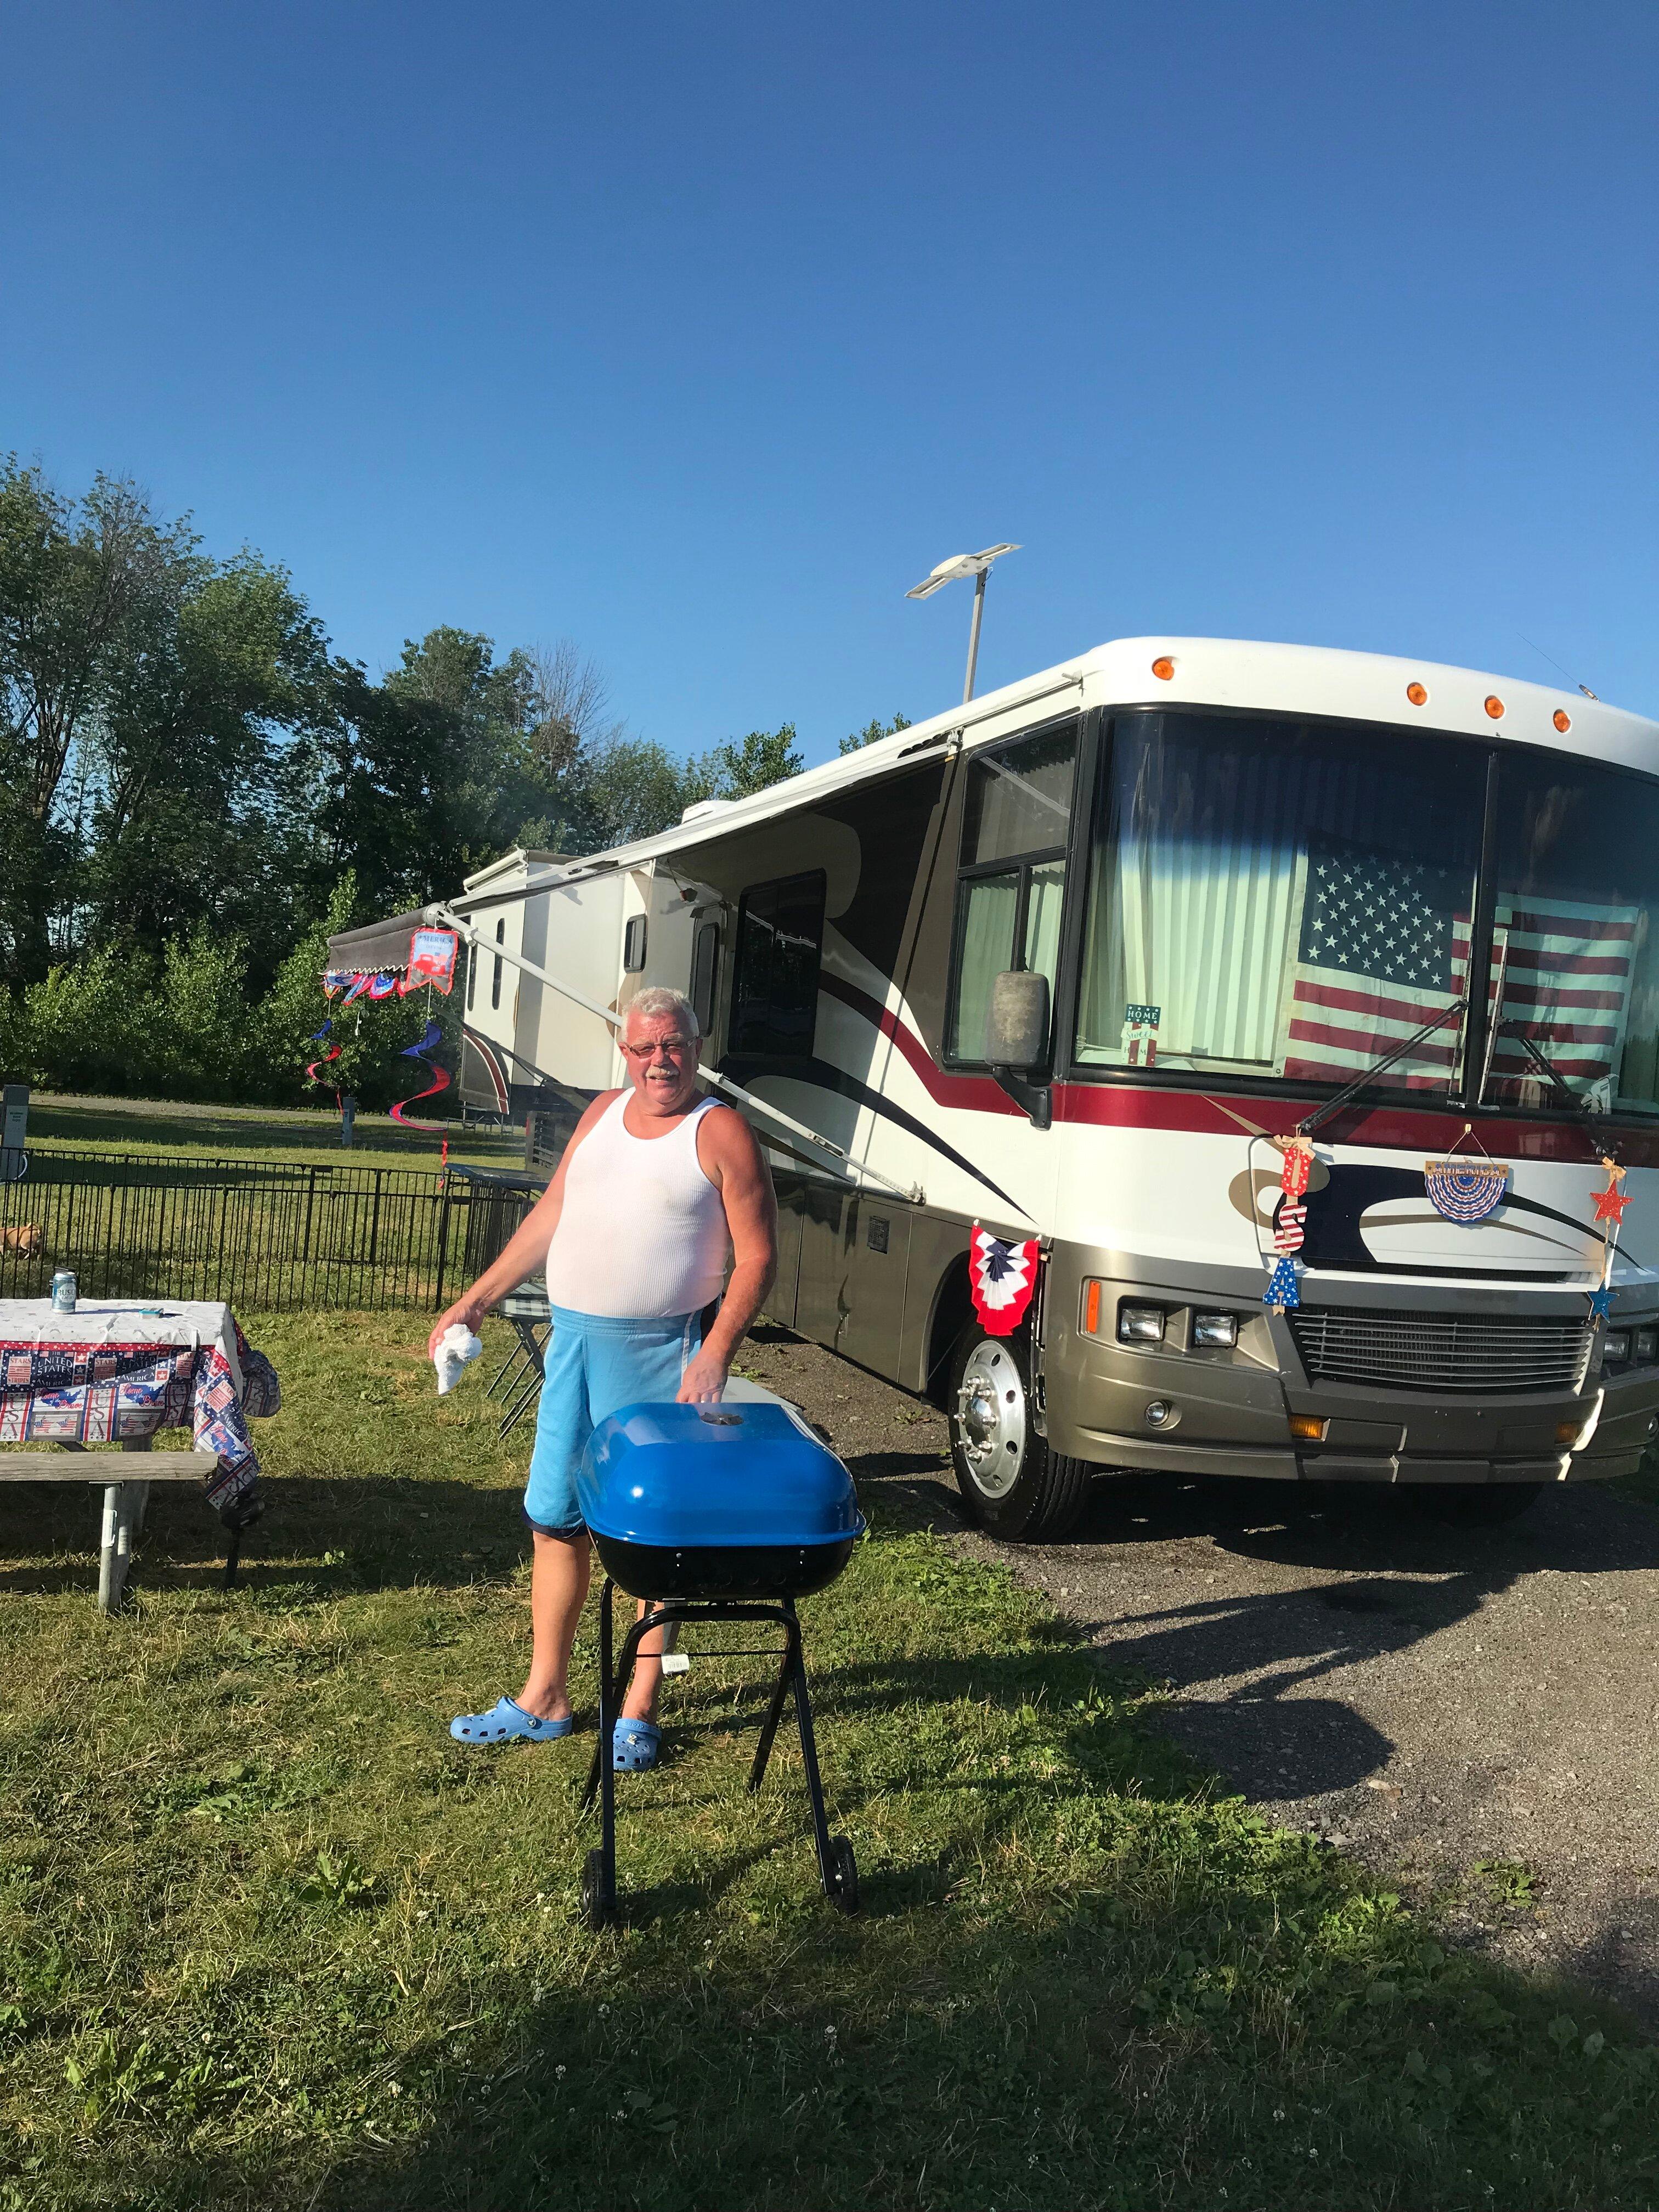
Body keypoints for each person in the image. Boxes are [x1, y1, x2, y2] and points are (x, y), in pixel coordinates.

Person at [428, 985, 777, 1770]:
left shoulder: (718, 1131)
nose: (663, 1060)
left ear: (696, 1045)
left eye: (677, 1044)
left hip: (660, 1358)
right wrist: (476, 1299)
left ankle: (638, 1710)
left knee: (653, 1532)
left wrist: (714, 1352)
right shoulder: (598, 1117)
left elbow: (757, 1257)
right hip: (576, 1349)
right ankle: (545, 1696)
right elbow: (553, 1212)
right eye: (647, 1047)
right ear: (625, 1052)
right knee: (554, 1519)